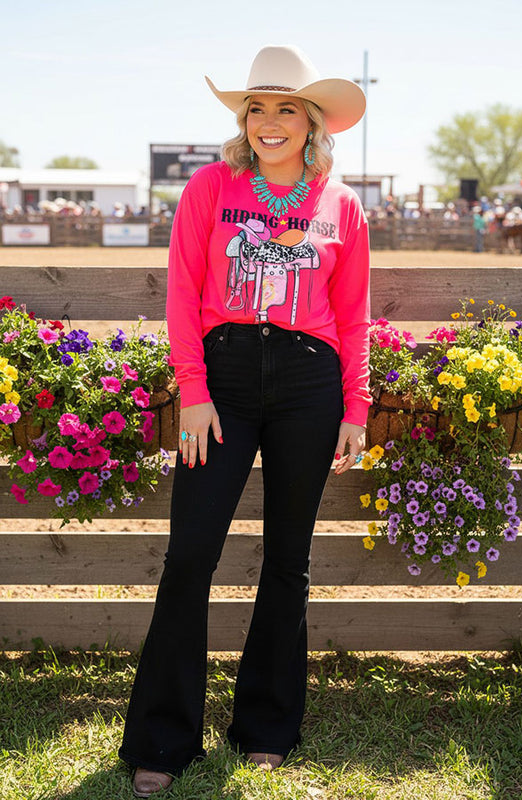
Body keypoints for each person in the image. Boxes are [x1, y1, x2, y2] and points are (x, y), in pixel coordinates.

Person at [119, 44, 371, 798]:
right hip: (221, 381)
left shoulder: (340, 205)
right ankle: (162, 737)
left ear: (311, 120)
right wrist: (191, 389)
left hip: (307, 381)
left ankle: (266, 726)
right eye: (255, 108)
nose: (268, 122)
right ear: (243, 120)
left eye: (284, 108)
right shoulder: (211, 187)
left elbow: (354, 315)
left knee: (287, 561)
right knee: (189, 555)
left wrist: (354, 405)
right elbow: (182, 291)